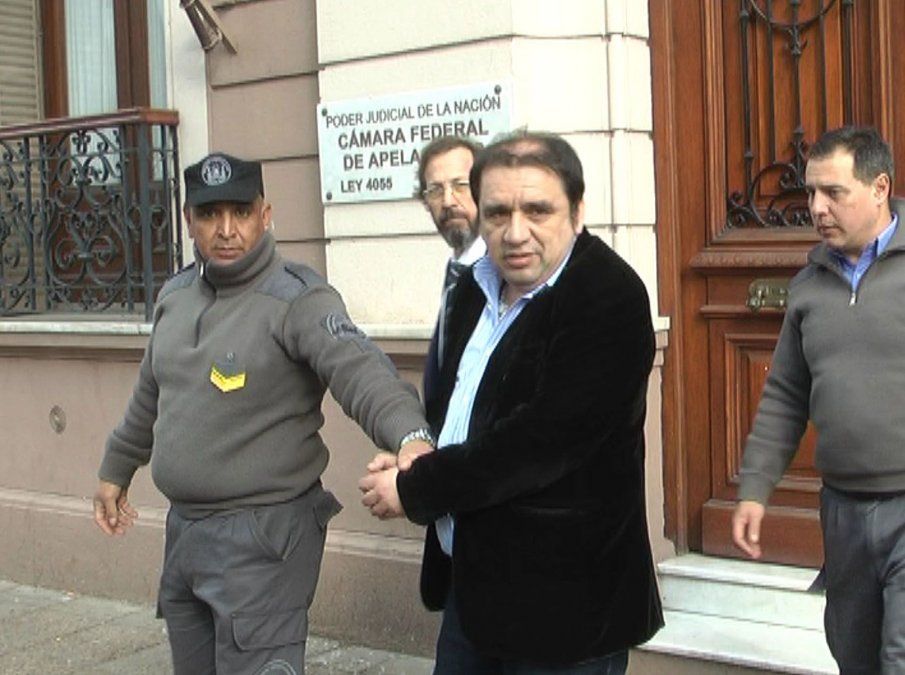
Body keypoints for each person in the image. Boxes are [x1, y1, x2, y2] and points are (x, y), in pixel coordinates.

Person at [92, 152, 433, 675]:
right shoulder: (175, 296)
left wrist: (410, 437)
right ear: (188, 220)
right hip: (186, 534)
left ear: (265, 214)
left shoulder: (298, 298)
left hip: (264, 538)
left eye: (241, 212)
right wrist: (117, 468)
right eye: (210, 214)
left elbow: (361, 371)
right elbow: (151, 391)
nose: (226, 229)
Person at [360, 131, 663, 673]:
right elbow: (464, 408)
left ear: (578, 211)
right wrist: (418, 453)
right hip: (473, 590)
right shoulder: (475, 287)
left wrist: (415, 487)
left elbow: (538, 442)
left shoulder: (607, 295)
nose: (515, 232)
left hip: (564, 609)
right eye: (498, 212)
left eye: (538, 210)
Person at [731, 125, 905, 673]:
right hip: (842, 510)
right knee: (853, 653)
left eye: (834, 192)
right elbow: (786, 395)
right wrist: (755, 488)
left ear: (880, 188)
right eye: (811, 192)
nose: (816, 207)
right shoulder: (809, 284)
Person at [416, 135, 485, 401]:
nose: (448, 201)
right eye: (435, 190)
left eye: (460, 185)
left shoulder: (504, 277)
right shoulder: (456, 272)